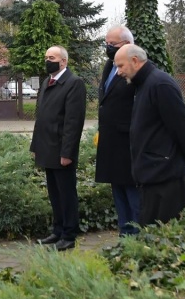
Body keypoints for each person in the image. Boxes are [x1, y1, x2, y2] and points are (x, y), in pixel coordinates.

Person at [113, 44, 185, 226]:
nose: (118, 72)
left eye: (120, 66)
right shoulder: (143, 84)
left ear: (135, 61)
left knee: (167, 234)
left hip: (165, 177)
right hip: (152, 174)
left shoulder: (160, 84)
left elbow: (183, 125)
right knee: (152, 233)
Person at [30, 45, 86, 251]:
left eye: (52, 58)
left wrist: (67, 153)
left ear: (63, 61)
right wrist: (35, 145)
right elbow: (41, 118)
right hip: (47, 147)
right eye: (46, 57)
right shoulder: (48, 82)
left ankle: (69, 235)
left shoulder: (74, 83)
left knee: (66, 194)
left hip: (62, 150)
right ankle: (58, 230)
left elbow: (73, 122)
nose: (47, 61)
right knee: (54, 193)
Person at [95, 25, 140, 236]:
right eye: (106, 43)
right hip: (110, 140)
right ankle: (124, 233)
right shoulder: (109, 66)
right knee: (118, 190)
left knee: (132, 191)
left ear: (128, 44)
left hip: (128, 141)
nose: (108, 47)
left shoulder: (137, 69)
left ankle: (137, 235)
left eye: (112, 44)